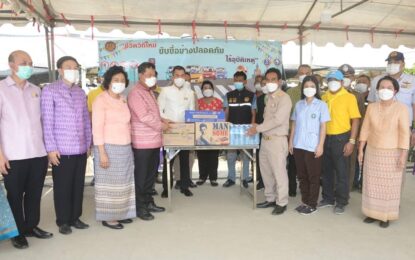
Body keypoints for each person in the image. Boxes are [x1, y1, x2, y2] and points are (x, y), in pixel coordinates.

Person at [0, 50, 52, 249]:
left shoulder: (36, 90)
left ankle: (31, 225)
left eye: (30, 62)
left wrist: (47, 150)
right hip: (14, 155)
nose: (28, 65)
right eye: (24, 62)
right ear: (12, 64)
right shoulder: (2, 89)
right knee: (14, 194)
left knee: (34, 193)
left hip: (38, 153)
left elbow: (42, 122)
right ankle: (17, 232)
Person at [41, 56, 92, 235]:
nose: (73, 70)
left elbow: (86, 119)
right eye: (68, 67)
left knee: (78, 185)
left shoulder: (80, 92)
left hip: (80, 148)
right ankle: (63, 220)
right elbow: (46, 122)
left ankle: (75, 217)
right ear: (60, 70)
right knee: (63, 186)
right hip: (61, 149)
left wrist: (88, 143)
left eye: (75, 67)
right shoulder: (50, 91)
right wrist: (51, 149)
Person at [358, 76, 410, 228]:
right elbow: (365, 128)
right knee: (371, 184)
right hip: (373, 151)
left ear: (395, 90)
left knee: (388, 186)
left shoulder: (401, 108)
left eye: (388, 87)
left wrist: (403, 155)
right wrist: (361, 149)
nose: (384, 90)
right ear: (377, 90)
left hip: (392, 152)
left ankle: (385, 216)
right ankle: (371, 213)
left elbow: (404, 133)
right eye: (381, 87)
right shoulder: (372, 107)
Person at [92, 66, 136, 229]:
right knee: (109, 184)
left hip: (125, 147)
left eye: (122, 80)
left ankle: (121, 213)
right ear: (108, 81)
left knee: (123, 182)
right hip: (108, 147)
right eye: (116, 80)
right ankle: (109, 217)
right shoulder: (101, 100)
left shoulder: (123, 99)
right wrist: (102, 153)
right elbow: (97, 128)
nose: (119, 83)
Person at [248, 67, 291, 215]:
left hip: (277, 141)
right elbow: (266, 120)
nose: (270, 82)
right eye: (268, 80)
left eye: (274, 79)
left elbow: (278, 120)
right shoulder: (268, 98)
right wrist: (257, 127)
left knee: (279, 173)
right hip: (265, 140)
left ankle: (282, 202)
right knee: (266, 172)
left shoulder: (284, 98)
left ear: (279, 81)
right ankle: (270, 198)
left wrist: (258, 128)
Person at [128, 62, 167, 220]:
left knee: (151, 175)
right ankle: (140, 207)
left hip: (154, 141)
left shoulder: (149, 92)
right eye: (149, 75)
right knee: (141, 176)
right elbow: (144, 116)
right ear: (140, 75)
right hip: (142, 142)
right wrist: (162, 125)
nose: (152, 78)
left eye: (154, 75)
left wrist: (165, 120)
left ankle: (148, 201)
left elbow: (154, 114)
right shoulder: (136, 93)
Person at [318, 70, 361, 215]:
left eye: (335, 80)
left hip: (341, 138)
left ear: (342, 82)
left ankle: (342, 201)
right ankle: (328, 198)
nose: (332, 82)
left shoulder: (349, 97)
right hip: (325, 138)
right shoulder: (323, 97)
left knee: (342, 172)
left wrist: (352, 141)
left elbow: (355, 120)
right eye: (329, 79)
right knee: (326, 170)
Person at [289, 76, 330, 215]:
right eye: (306, 86)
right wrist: (291, 142)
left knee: (313, 176)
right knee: (301, 175)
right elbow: (294, 124)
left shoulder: (321, 105)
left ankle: (312, 204)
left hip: (313, 145)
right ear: (302, 88)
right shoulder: (299, 104)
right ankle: (305, 201)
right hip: (298, 144)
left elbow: (323, 127)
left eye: (312, 86)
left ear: (316, 88)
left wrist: (321, 145)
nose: (309, 89)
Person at [158, 65, 195, 197]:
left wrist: (189, 127)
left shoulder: (190, 93)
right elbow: (159, 110)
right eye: (177, 75)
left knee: (185, 160)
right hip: (169, 129)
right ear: (173, 77)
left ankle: (185, 186)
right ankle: (166, 188)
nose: (180, 78)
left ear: (185, 77)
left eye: (182, 75)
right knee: (169, 160)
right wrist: (165, 121)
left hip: (184, 130)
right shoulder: (165, 91)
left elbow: (191, 112)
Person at [367, 51, 415, 145]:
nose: (392, 64)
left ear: (403, 64)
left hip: (404, 126)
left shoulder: (412, 80)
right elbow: (370, 104)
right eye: (390, 62)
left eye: (396, 62)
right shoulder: (376, 80)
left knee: (401, 156)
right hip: (379, 126)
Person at [223, 71, 257, 188]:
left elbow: (253, 113)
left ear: (245, 81)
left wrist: (252, 127)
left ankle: (245, 178)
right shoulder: (228, 95)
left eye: (241, 80)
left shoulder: (252, 95)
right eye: (236, 80)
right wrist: (225, 126)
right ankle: (231, 178)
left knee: (246, 155)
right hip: (232, 129)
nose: (238, 82)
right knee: (230, 156)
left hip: (246, 129)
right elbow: (226, 112)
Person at [286, 64, 312, 197]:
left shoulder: (319, 94)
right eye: (301, 73)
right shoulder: (290, 92)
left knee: (309, 165)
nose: (304, 75)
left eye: (307, 73)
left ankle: (307, 191)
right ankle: (292, 189)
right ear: (297, 75)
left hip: (312, 136)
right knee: (293, 164)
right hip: (294, 134)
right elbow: (288, 115)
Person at [196, 80, 223, 186]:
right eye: (205, 88)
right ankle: (202, 177)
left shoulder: (218, 102)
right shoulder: (198, 102)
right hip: (201, 132)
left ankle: (213, 178)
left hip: (214, 133)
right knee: (201, 155)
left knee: (213, 155)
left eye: (209, 87)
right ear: (202, 90)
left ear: (213, 89)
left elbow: (221, 117)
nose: (207, 90)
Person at [351, 74, 371, 190]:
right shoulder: (352, 96)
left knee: (365, 159)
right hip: (356, 132)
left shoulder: (372, 98)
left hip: (368, 133)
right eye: (359, 81)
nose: (361, 84)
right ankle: (354, 182)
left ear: (369, 84)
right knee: (355, 159)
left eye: (364, 81)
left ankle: (363, 183)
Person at [254, 77, 268, 190]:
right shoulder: (259, 99)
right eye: (262, 84)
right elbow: (256, 115)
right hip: (260, 131)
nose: (264, 86)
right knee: (260, 158)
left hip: (273, 134)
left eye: (266, 83)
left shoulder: (280, 98)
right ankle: (261, 180)